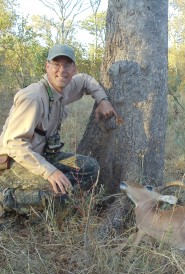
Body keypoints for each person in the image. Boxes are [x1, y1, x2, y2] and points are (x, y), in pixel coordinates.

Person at [0, 44, 117, 215]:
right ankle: (7, 199)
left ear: (74, 68)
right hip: (15, 162)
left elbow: (85, 80)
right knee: (57, 194)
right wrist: (50, 172)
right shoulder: (33, 97)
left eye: (67, 65)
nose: (62, 70)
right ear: (47, 66)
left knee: (90, 167)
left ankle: (53, 199)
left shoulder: (64, 87)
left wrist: (103, 99)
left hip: (44, 155)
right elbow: (13, 144)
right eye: (56, 64)